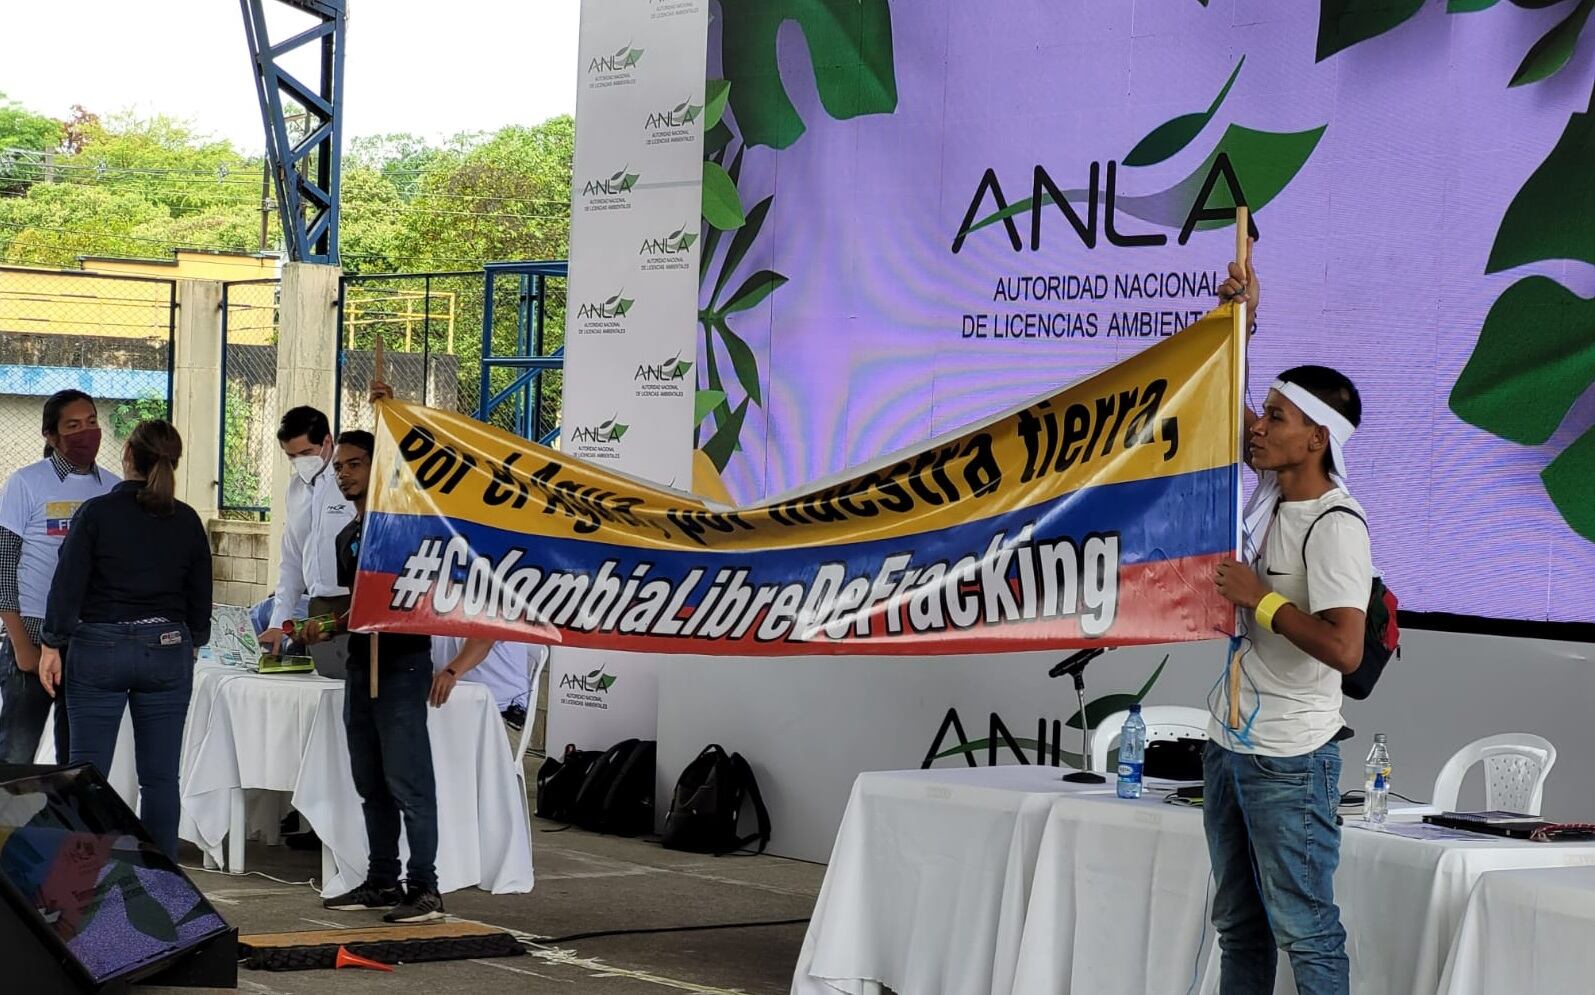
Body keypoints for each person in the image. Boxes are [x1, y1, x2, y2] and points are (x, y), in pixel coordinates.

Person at [1205, 259, 1372, 995]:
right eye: (1266, 411)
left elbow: (1344, 647)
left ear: (1316, 439)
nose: (1258, 426)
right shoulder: (1273, 488)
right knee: (1239, 927)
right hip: (1230, 743)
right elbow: (1223, 401)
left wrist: (1261, 600)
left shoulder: (1335, 524)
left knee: (1306, 931)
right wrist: (1242, 319)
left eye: (1277, 418)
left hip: (1291, 758)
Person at [37, 420, 211, 861]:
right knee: (160, 779)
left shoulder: (96, 513)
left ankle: (83, 881)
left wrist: (52, 643)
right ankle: (163, 882)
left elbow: (68, 583)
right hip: (167, 647)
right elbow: (200, 593)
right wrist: (192, 640)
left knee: (87, 774)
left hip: (99, 646)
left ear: (128, 455)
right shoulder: (187, 519)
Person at [310, 430, 444, 923]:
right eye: (338, 466)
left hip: (402, 665)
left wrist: (389, 412)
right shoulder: (347, 537)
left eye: (355, 464)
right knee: (370, 782)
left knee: (409, 783)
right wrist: (326, 626)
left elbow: (413, 597)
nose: (343, 473)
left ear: (378, 466)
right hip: (359, 664)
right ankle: (382, 879)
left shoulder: (403, 529)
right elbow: (358, 607)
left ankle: (425, 887)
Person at [0, 389, 119, 763]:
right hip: (33, 632)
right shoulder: (26, 483)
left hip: (88, 639)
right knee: (16, 754)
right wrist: (21, 645)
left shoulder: (113, 488)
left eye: (92, 422)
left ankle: (67, 807)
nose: (87, 432)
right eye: (73, 425)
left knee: (77, 760)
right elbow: (3, 567)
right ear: (51, 435)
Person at [254, 406, 355, 652]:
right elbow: (291, 561)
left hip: (354, 603)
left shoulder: (353, 482)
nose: (300, 461)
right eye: (292, 456)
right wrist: (278, 622)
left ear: (327, 442)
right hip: (318, 605)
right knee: (322, 671)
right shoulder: (295, 490)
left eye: (306, 453)